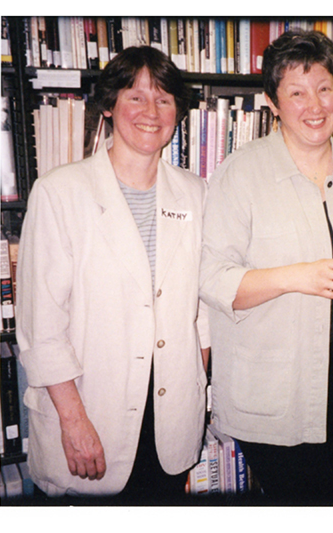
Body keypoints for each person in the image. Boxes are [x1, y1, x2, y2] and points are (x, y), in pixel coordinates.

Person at [16, 46, 209, 501]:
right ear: (109, 104)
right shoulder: (60, 192)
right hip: (91, 413)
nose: (151, 112)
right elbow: (41, 326)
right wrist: (73, 421)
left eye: (164, 99)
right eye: (135, 97)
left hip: (168, 424)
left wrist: (189, 395)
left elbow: (201, 312)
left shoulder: (197, 193)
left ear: (177, 113)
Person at [198, 30, 333, 505]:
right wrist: (298, 277)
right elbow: (211, 279)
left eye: (324, 88)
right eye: (296, 92)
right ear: (273, 102)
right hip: (277, 400)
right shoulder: (240, 172)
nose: (313, 105)